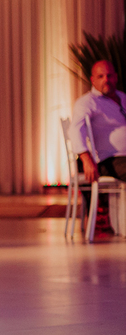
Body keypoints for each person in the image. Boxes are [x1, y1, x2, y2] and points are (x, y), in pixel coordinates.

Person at [71, 59, 126, 235]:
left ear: (115, 77)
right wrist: (85, 158)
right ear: (92, 80)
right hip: (109, 159)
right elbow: (75, 131)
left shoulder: (123, 98)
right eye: (101, 76)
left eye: (109, 75)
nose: (106, 80)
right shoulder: (87, 102)